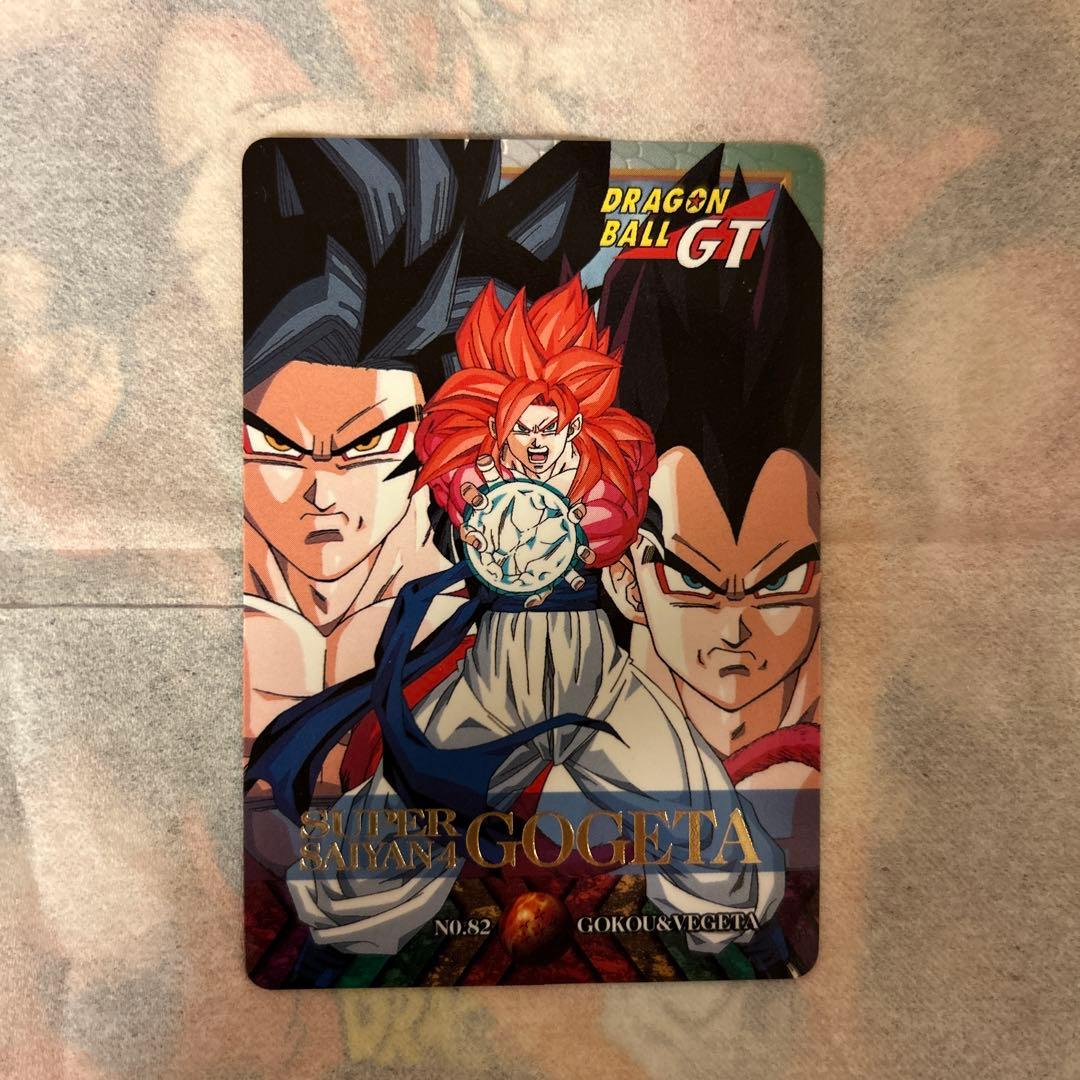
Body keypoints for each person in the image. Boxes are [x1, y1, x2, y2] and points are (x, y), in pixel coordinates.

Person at [249, 273, 786, 962]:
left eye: (549, 429)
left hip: (592, 671)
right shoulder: (475, 482)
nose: (536, 444)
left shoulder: (603, 483)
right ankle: (340, 934)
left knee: (702, 821)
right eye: (522, 430)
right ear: (496, 430)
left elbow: (613, 533)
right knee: (393, 823)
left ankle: (740, 937)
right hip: (499, 671)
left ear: (576, 427)